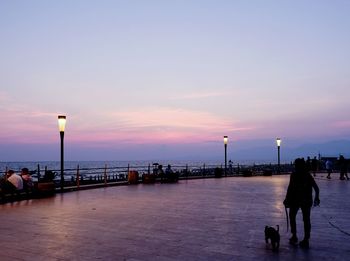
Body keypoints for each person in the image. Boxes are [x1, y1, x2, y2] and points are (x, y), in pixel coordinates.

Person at [283, 158, 320, 249]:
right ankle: (305, 239)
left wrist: (287, 199)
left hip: (297, 200)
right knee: (306, 219)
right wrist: (316, 197)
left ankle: (295, 236)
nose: (295, 166)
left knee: (293, 217)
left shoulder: (294, 175)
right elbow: (316, 188)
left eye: (295, 165)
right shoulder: (307, 175)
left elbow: (290, 188)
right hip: (305, 201)